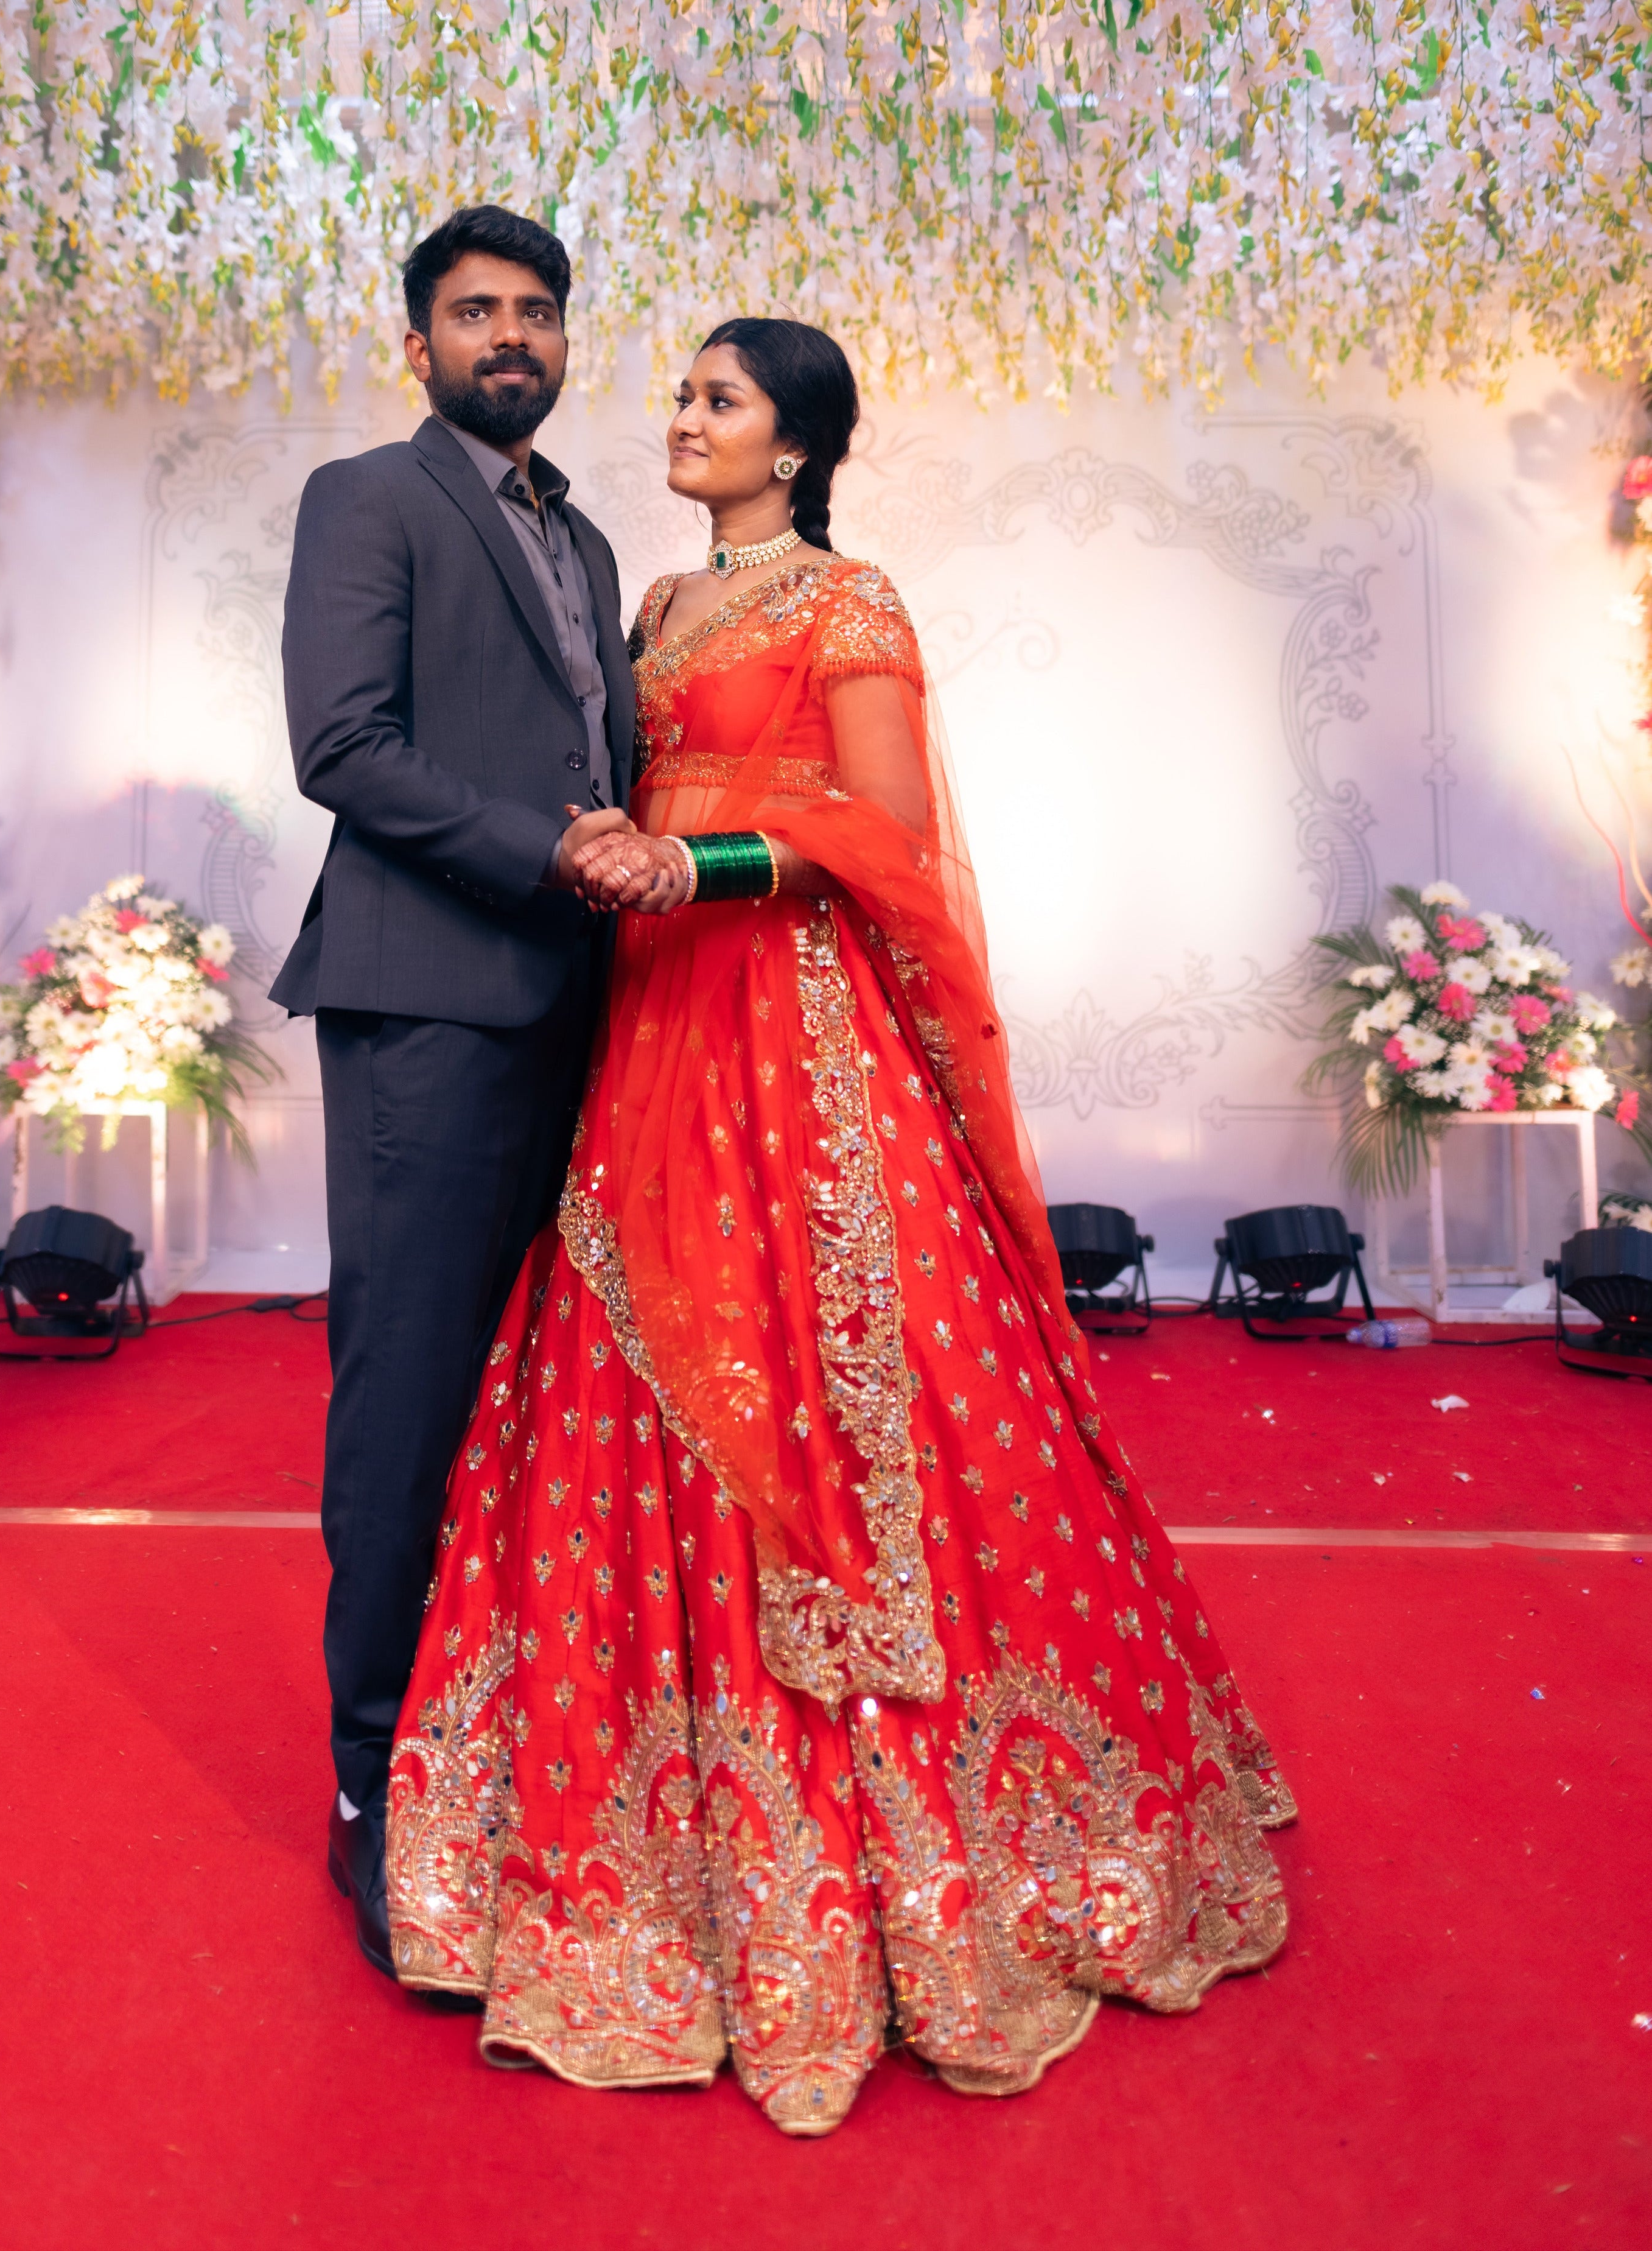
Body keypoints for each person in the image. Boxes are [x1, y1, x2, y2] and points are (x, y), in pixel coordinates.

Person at [382, 317, 1295, 2134]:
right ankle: (643, 1855)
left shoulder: (848, 600)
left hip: (792, 1027)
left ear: (793, 445)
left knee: (846, 1371)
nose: (687, 420)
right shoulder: (653, 607)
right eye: (689, 396)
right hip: (653, 1025)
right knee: (624, 1357)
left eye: (721, 401)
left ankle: (943, 1852)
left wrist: (699, 861)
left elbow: (880, 828)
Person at [271, 206, 636, 1978]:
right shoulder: (372, 497)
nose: (513, 334)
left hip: (587, 1015)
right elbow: (340, 743)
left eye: (538, 311)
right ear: (419, 343)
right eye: (478, 310)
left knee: (544, 1403)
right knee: (411, 1389)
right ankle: (368, 1786)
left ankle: (496, 1740)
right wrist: (550, 850)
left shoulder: (592, 540)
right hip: (428, 1002)